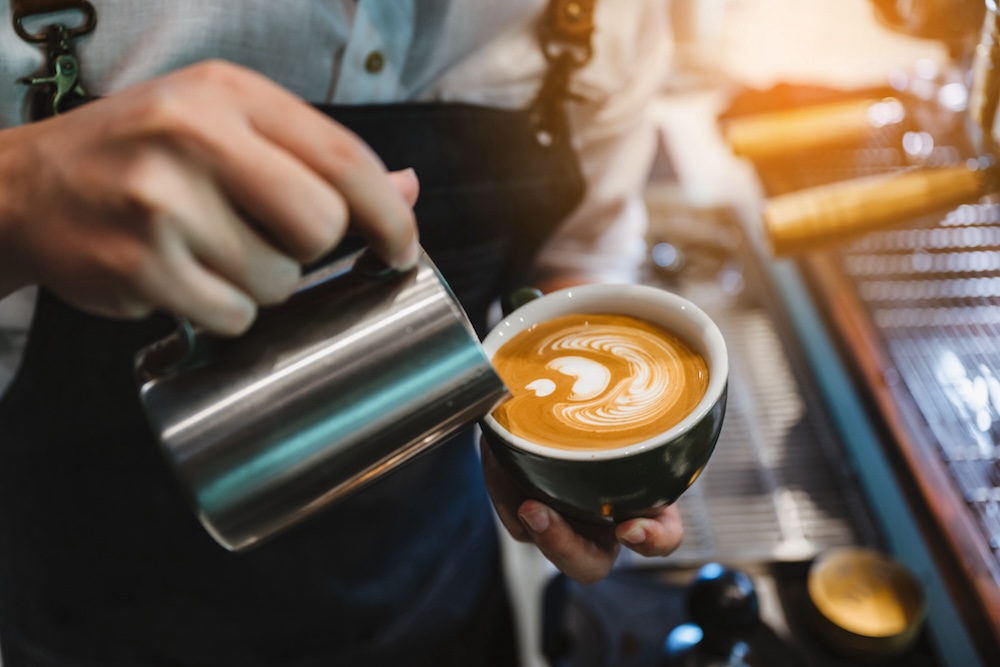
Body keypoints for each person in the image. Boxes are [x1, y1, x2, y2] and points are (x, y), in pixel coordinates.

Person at [0, 1, 683, 665]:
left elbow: (576, 256)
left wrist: (562, 449)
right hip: (95, 620)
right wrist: (21, 193)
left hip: (433, 603)